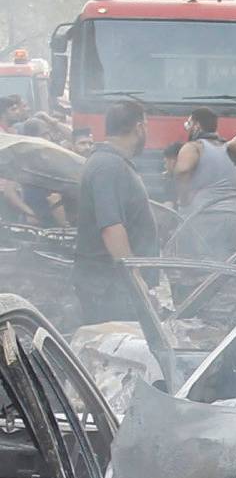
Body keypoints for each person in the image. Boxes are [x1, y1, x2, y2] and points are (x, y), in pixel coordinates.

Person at [71, 100, 157, 324]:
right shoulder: (108, 166)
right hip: (109, 287)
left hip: (110, 285)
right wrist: (135, 276)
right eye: (146, 126)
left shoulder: (111, 163)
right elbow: (111, 227)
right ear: (139, 127)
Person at [171, 106, 236, 212]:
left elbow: (182, 172)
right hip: (234, 214)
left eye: (189, 124)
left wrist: (184, 201)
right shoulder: (230, 148)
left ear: (197, 126)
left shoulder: (194, 147)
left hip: (204, 214)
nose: (187, 128)